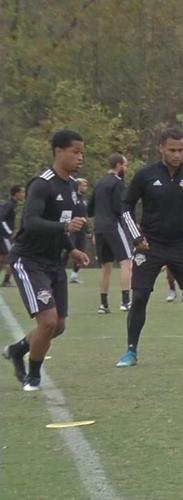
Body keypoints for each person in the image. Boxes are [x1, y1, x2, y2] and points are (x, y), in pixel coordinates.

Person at [115, 126, 183, 367]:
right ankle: (131, 351)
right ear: (161, 148)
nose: (176, 154)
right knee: (140, 297)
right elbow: (126, 206)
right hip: (150, 245)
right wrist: (136, 238)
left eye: (181, 150)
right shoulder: (145, 175)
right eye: (172, 150)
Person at [1, 130, 90, 391]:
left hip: (54, 262)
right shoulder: (41, 183)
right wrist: (65, 229)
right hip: (29, 261)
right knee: (48, 322)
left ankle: (18, 350)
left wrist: (71, 249)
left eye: (81, 152)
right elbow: (31, 222)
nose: (80, 157)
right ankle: (34, 376)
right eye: (75, 151)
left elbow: (62, 222)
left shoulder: (73, 186)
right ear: (58, 151)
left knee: (58, 326)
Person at [89, 153, 132, 313]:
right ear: (119, 165)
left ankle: (103, 304)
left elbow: (90, 208)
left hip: (99, 228)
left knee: (105, 267)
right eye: (125, 165)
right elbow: (117, 208)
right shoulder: (117, 182)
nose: (126, 168)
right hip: (113, 226)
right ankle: (126, 302)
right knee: (126, 262)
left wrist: (95, 229)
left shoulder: (99, 182)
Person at [0, 185, 26, 287]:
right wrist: (10, 233)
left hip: (4, 236)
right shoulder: (9, 205)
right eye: (22, 192)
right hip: (4, 236)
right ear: (16, 193)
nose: (24, 194)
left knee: (2, 258)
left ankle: (6, 280)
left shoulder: (13, 205)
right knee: (12, 257)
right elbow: (1, 219)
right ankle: (6, 281)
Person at [68, 178, 89, 284]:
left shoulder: (84, 200)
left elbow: (85, 216)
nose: (85, 187)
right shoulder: (72, 197)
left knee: (80, 251)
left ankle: (74, 276)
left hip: (81, 230)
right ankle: (58, 271)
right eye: (83, 185)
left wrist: (88, 230)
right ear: (78, 185)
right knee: (68, 250)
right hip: (72, 228)